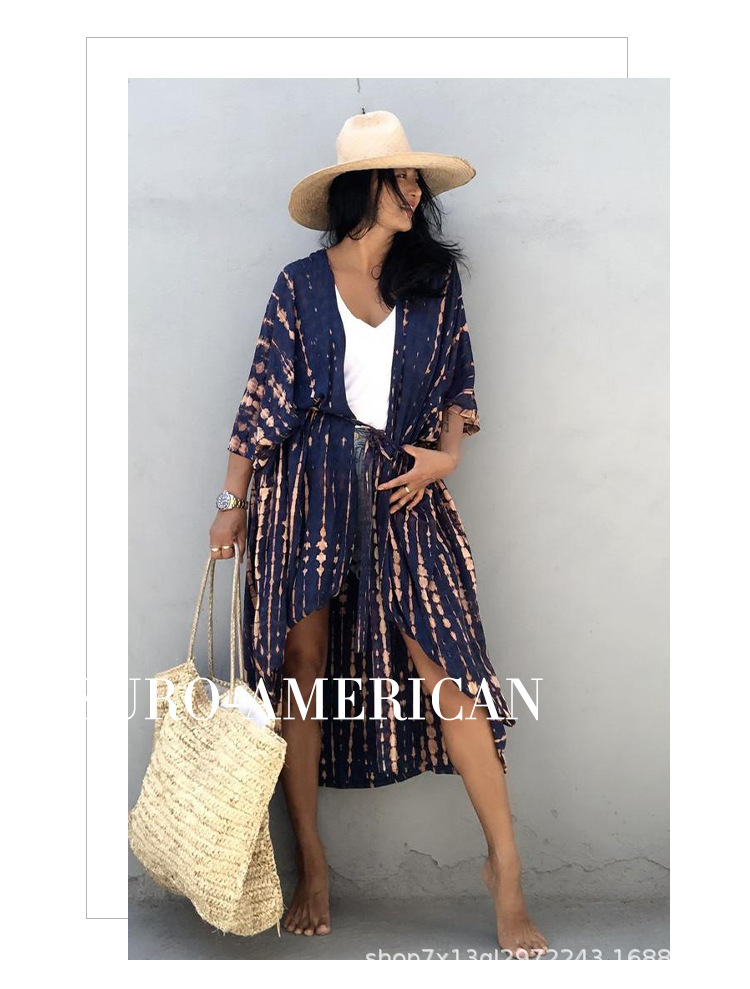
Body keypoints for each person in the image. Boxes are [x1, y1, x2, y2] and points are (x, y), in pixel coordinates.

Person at [209, 110, 548, 958]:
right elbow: (261, 396)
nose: (415, 190)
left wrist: (447, 456)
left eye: (417, 178)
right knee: (302, 671)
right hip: (305, 489)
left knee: (451, 671)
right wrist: (231, 498)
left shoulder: (433, 281)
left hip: (404, 490)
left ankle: (506, 868)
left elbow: (459, 381)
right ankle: (313, 862)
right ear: (361, 188)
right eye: (400, 177)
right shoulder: (298, 284)